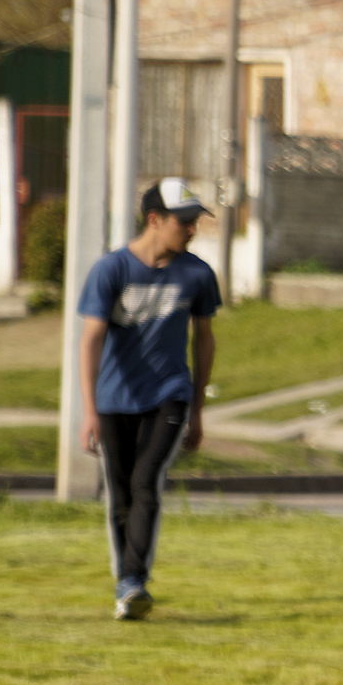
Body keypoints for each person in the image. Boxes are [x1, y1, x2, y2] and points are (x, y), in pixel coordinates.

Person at [76, 178, 219, 620]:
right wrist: (89, 411)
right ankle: (127, 585)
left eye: (196, 222)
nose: (193, 230)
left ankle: (135, 578)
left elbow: (205, 340)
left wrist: (196, 410)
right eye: (185, 222)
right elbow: (91, 340)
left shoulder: (196, 274)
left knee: (144, 482)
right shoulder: (112, 270)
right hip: (115, 400)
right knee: (120, 491)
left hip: (168, 396)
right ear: (155, 220)